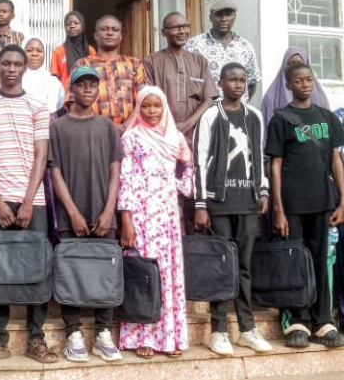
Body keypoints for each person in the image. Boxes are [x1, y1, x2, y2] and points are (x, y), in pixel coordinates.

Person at [0, 45, 58, 365]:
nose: (11, 69)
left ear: (24, 68)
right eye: (6, 63)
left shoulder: (37, 105)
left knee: (39, 267)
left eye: (18, 63)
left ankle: (36, 337)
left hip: (34, 200)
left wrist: (29, 201)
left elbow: (41, 156)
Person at [193, 63, 272, 357]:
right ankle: (219, 331)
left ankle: (247, 329)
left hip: (248, 202)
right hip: (219, 203)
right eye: (232, 80)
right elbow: (199, 160)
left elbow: (258, 155)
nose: (238, 85)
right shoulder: (212, 115)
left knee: (245, 267)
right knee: (221, 267)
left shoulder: (255, 117)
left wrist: (262, 190)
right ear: (221, 83)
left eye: (242, 80)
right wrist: (201, 205)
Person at [265, 61, 344, 349]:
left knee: (321, 261)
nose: (305, 84)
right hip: (292, 204)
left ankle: (323, 321)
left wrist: (342, 201)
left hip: (323, 202)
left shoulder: (326, 118)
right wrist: (278, 208)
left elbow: (336, 160)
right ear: (289, 85)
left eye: (309, 80)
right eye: (299, 81)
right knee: (295, 263)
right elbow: (275, 164)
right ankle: (296, 322)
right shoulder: (281, 118)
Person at [49, 64, 123, 362]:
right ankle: (73, 332)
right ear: (73, 90)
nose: (88, 89)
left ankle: (104, 331)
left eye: (93, 84)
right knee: (72, 271)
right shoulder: (58, 127)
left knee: (105, 269)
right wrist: (73, 213)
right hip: (72, 214)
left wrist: (108, 211)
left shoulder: (107, 126)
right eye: (82, 84)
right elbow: (54, 172)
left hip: (104, 212)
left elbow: (115, 171)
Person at [118, 87, 193, 358]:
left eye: (156, 106)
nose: (151, 111)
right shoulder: (131, 137)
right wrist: (126, 219)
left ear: (164, 108)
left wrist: (179, 185)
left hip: (168, 216)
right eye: (146, 106)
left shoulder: (175, 137)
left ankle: (169, 338)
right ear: (138, 108)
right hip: (141, 214)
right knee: (145, 274)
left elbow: (189, 166)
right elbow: (123, 179)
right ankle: (143, 338)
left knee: (167, 274)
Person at [144, 12, 216, 146]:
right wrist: (167, 127)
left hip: (196, 133)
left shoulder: (199, 61)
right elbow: (148, 100)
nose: (182, 31)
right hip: (161, 134)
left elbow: (209, 99)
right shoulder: (152, 61)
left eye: (185, 27)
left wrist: (189, 124)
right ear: (163, 32)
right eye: (176, 28)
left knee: (195, 166)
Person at [75, 15, 146, 127]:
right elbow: (74, 101)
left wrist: (125, 127)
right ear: (96, 36)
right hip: (92, 130)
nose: (110, 33)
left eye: (115, 29)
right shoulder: (83, 64)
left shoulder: (135, 64)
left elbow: (144, 101)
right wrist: (99, 128)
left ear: (121, 36)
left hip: (129, 133)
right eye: (104, 29)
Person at [185, 0, 261, 102]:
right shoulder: (194, 44)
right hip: (206, 112)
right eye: (219, 15)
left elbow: (252, 81)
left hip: (238, 113)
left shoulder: (245, 46)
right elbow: (186, 81)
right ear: (211, 18)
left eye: (228, 15)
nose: (224, 19)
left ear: (234, 17)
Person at [261, 46, 330, 131]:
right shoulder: (271, 98)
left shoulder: (319, 98)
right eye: (291, 63)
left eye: (299, 63)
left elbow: (328, 131)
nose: (295, 68)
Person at [50, 11, 95, 94]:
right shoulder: (58, 51)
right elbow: (54, 79)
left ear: (82, 25)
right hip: (66, 98)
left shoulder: (90, 51)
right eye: (68, 24)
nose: (72, 26)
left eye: (76, 23)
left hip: (87, 96)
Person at [23, 38, 65, 114]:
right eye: (29, 50)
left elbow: (59, 106)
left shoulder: (53, 82)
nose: (35, 54)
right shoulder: (15, 80)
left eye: (39, 51)